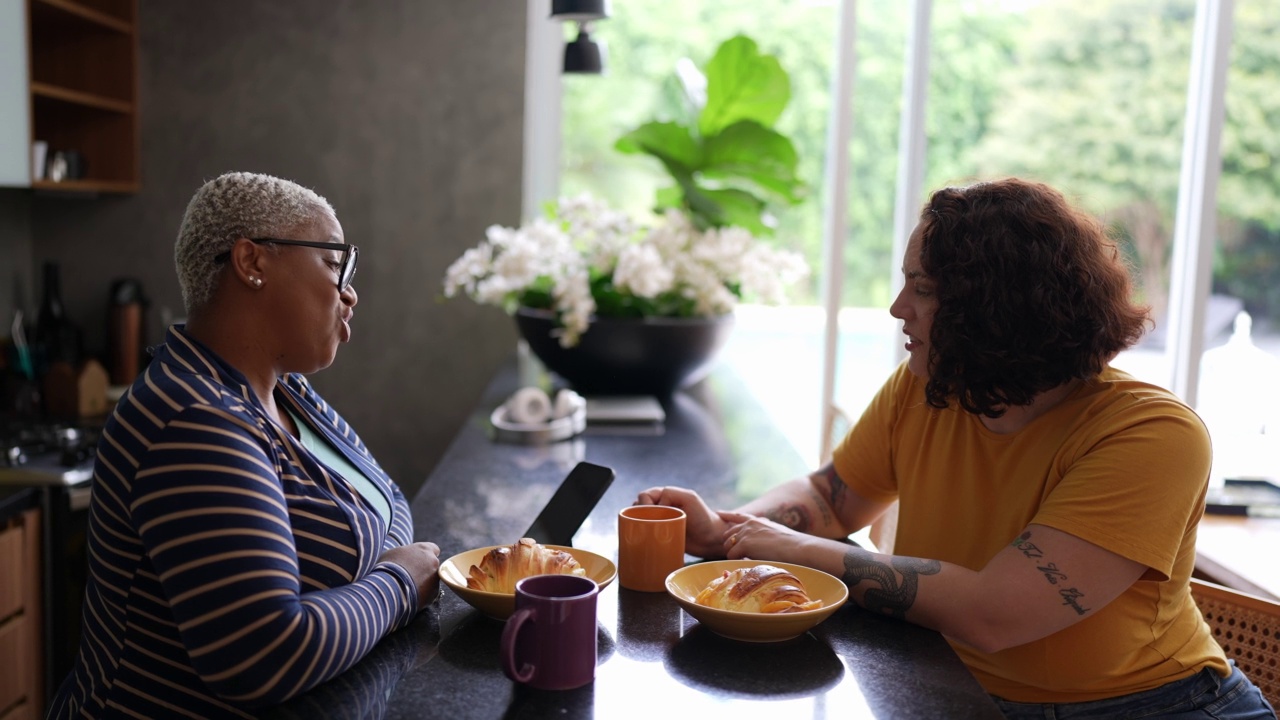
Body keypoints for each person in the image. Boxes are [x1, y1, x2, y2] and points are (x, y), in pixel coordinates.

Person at [638, 178, 1277, 718]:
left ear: (994, 307)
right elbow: (827, 498)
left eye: (922, 289)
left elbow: (994, 615)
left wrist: (799, 550)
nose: (896, 309)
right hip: (955, 685)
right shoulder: (929, 388)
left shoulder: (1149, 434)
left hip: (1147, 706)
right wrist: (729, 530)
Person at [48, 172, 442, 718]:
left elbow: (388, 504)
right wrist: (397, 583)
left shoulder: (287, 391)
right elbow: (265, 655)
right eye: (335, 264)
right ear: (252, 262)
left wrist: (344, 597)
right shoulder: (193, 418)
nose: (350, 293)